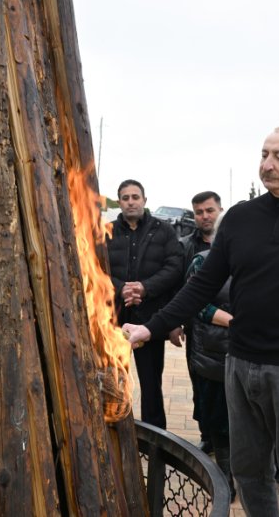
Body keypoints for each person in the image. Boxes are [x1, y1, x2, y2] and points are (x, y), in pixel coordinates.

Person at [123, 125, 279, 517]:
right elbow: (200, 285)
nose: (267, 164)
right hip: (239, 365)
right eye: (264, 154)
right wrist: (150, 327)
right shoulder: (239, 218)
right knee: (249, 474)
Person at [107, 179, 183, 429]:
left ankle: (155, 439)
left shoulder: (163, 231)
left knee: (151, 385)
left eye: (135, 197)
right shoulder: (107, 231)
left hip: (150, 320)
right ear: (119, 202)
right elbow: (96, 268)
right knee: (113, 380)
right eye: (126, 197)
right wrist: (123, 289)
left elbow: (174, 267)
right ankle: (117, 431)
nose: (131, 201)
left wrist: (144, 287)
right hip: (114, 319)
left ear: (144, 200)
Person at [186, 211, 235, 500]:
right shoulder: (202, 261)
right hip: (214, 354)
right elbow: (197, 304)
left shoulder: (255, 261)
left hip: (248, 354)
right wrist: (233, 321)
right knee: (219, 422)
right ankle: (225, 479)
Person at [179, 191, 223, 453]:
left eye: (209, 210)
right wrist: (174, 323)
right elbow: (180, 288)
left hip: (227, 335)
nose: (205, 216)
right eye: (199, 212)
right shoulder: (186, 246)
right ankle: (207, 433)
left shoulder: (235, 245)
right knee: (200, 385)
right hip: (197, 330)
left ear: (219, 210)